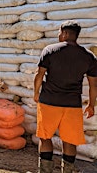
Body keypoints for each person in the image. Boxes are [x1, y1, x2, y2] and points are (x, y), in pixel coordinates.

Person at [33, 20, 97, 173]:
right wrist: (91, 105)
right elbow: (94, 85)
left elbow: (39, 74)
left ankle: (45, 171)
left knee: (45, 137)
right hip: (72, 105)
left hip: (49, 102)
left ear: (65, 33)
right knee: (69, 140)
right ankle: (67, 170)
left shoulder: (50, 50)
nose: (58, 35)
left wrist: (36, 93)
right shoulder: (88, 56)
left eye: (60, 32)